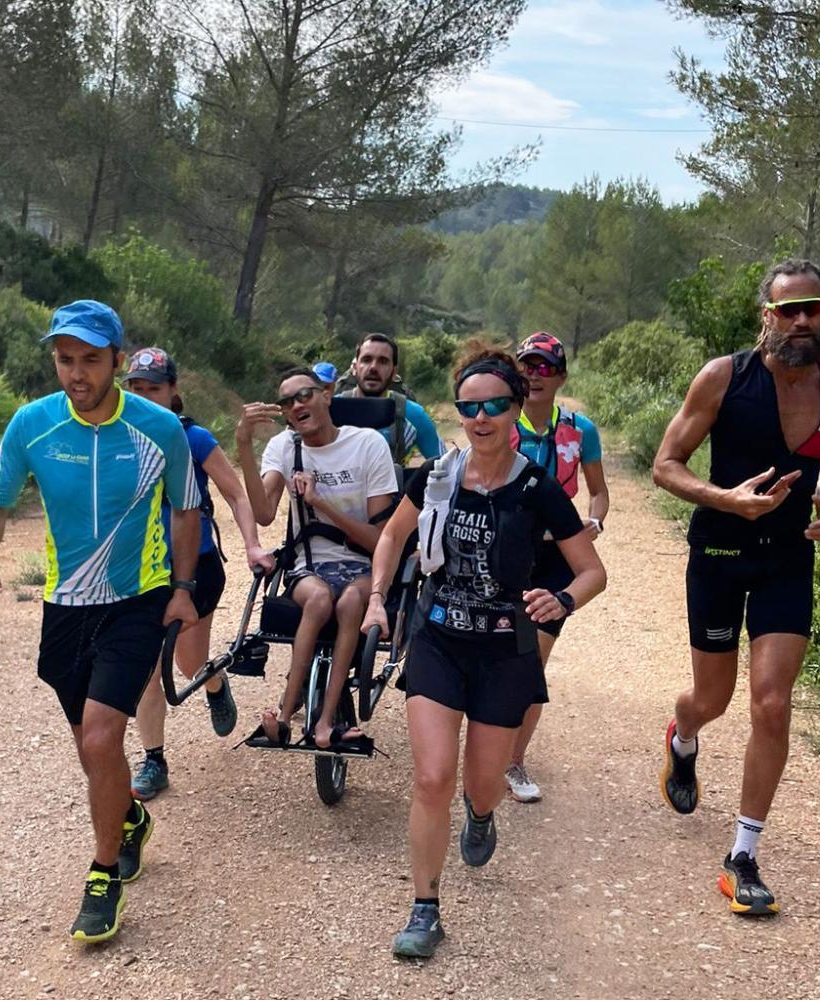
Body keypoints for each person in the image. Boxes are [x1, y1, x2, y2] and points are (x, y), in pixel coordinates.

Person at [0, 301, 202, 945]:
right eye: (65, 359)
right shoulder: (32, 424)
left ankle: (102, 876)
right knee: (89, 745)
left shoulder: (159, 429)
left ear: (117, 361)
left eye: (90, 359)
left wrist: (181, 588)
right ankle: (127, 822)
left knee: (100, 738)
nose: (76, 372)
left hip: (136, 599)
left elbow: (185, 509)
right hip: (66, 605)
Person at [362, 347, 606, 958]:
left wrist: (563, 601)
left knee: (482, 783)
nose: (480, 417)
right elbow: (392, 536)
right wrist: (375, 600)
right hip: (440, 642)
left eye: (494, 405)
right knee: (430, 777)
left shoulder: (538, 488)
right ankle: (424, 909)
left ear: (517, 408)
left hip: (505, 653)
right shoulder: (438, 475)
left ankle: (481, 812)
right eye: (469, 406)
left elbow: (591, 572)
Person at [652, 258, 820, 916]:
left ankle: (742, 856)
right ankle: (683, 736)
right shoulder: (724, 377)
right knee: (712, 699)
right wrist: (725, 499)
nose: (802, 321)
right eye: (788, 310)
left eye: (814, 308)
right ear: (764, 316)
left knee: (771, 703)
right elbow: (665, 465)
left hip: (787, 559)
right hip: (718, 549)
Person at [121, 347, 275, 800]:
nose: (145, 398)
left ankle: (214, 680)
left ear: (174, 393)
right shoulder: (117, 439)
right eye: (137, 389)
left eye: (154, 389)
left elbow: (236, 495)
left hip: (198, 567)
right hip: (143, 571)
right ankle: (153, 761)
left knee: (188, 663)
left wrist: (250, 544)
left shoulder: (194, 439)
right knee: (150, 669)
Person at [235, 368, 396, 748]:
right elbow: (264, 512)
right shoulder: (285, 448)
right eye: (287, 402)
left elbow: (380, 539)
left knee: (353, 599)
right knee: (320, 598)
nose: (296, 406)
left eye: (304, 395)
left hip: (362, 564)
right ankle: (286, 712)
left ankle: (325, 723)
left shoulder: (367, 444)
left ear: (326, 394)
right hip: (311, 565)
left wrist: (319, 502)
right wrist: (243, 445)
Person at [503, 332, 610, 804]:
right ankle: (489, 740)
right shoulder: (501, 422)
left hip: (555, 556)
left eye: (546, 367)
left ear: (561, 376)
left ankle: (513, 761)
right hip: (506, 552)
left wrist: (595, 521)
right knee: (498, 651)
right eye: (527, 365)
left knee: (534, 659)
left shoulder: (580, 430)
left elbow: (598, 490)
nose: (535, 375)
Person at [337, 333, 443, 465]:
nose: (373, 367)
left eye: (383, 361)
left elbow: (446, 466)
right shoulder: (332, 410)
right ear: (354, 368)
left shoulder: (410, 414)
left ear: (394, 372)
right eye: (366, 359)